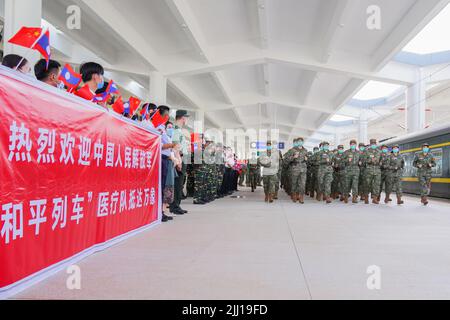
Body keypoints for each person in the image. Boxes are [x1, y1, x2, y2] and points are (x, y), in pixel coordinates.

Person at [170, 110, 190, 213]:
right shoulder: (176, 130)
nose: (187, 120)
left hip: (182, 158)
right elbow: (175, 146)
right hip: (179, 158)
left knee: (180, 183)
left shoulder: (179, 130)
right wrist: (178, 161)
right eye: (186, 118)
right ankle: (174, 206)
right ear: (183, 118)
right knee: (178, 183)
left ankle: (177, 204)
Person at [284, 137, 308, 204]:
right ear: (297, 142)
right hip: (294, 169)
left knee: (302, 184)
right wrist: (293, 157)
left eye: (301, 141)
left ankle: (301, 197)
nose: (300, 142)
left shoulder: (305, 150)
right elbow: (286, 160)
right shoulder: (292, 150)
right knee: (294, 183)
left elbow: (308, 160)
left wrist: (307, 159)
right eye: (299, 141)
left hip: (303, 169)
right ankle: (294, 195)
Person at [362, 139, 382, 205]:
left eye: (374, 143)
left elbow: (381, 160)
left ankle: (375, 199)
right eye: (372, 143)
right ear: (370, 144)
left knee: (377, 185)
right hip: (368, 170)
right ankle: (366, 197)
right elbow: (363, 160)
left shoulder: (379, 151)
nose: (373, 144)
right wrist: (370, 160)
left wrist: (380, 163)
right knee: (367, 184)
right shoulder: (366, 151)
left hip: (377, 170)